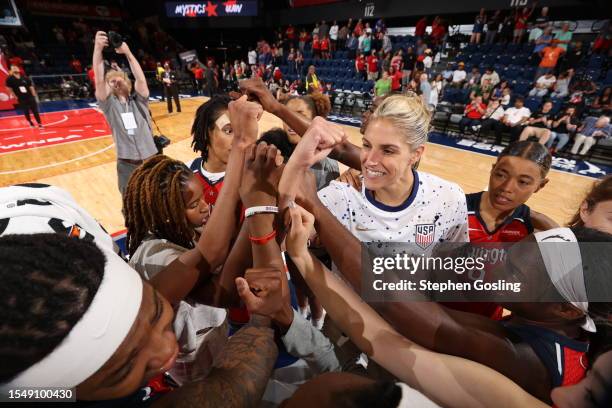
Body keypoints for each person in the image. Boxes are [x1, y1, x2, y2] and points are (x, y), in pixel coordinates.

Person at [283, 207, 612, 408]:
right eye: (511, 254)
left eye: (516, 272)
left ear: (566, 310)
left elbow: (402, 311)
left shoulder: (530, 361)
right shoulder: (558, 322)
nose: (501, 268)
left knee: (330, 393)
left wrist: (317, 211)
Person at [0, 183, 277, 405]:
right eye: (127, 364)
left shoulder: (54, 207)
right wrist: (262, 322)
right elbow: (223, 393)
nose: (169, 350)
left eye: (157, 311)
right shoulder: (30, 390)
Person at [446, 141, 556, 319]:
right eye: (501, 175)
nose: (506, 188)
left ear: (540, 186)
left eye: (523, 182)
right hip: (437, 313)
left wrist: (543, 220)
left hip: (487, 322)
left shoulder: (533, 227)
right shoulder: (455, 208)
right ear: (492, 169)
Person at [92, 31, 157, 196]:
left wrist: (127, 52)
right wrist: (98, 50)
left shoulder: (139, 101)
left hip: (151, 160)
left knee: (158, 200)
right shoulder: (109, 106)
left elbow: (140, 79)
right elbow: (99, 80)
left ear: (128, 82)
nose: (117, 82)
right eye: (112, 81)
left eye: (120, 79)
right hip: (127, 165)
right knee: (131, 207)